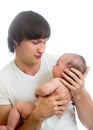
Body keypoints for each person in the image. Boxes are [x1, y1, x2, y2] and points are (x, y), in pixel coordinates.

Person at [0, 10, 93, 130]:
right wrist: (37, 115)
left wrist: (79, 93)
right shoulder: (3, 81)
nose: (42, 50)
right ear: (15, 41)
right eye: (36, 43)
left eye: (45, 42)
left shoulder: (61, 66)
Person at [0, 53, 87, 130]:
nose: (53, 66)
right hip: (54, 120)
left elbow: (44, 90)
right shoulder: (71, 88)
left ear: (66, 71)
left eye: (57, 64)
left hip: (46, 118)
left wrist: (37, 91)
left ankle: (9, 127)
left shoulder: (58, 81)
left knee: (18, 107)